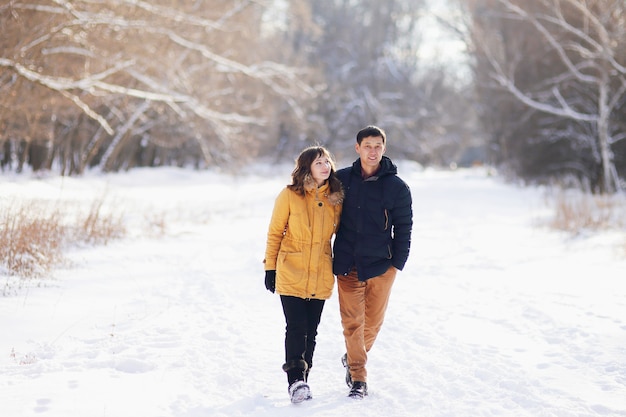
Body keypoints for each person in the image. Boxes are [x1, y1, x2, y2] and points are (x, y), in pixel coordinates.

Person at [332, 125, 413, 399]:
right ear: (357, 148)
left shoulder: (397, 187)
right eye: (368, 145)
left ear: (384, 149)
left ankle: (354, 356)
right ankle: (359, 378)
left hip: (381, 265)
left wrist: (396, 264)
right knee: (353, 323)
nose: (373, 151)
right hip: (348, 264)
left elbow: (404, 227)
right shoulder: (341, 180)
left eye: (378, 146)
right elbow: (321, 213)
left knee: (372, 325)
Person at [263, 146, 344, 403]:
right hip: (291, 269)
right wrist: (270, 268)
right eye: (319, 162)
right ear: (307, 167)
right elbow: (275, 233)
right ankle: (295, 379)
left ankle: (303, 379)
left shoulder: (335, 199)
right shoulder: (289, 195)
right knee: (296, 327)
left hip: (320, 270)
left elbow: (343, 236)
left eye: (327, 162)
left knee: (312, 330)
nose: (325, 166)